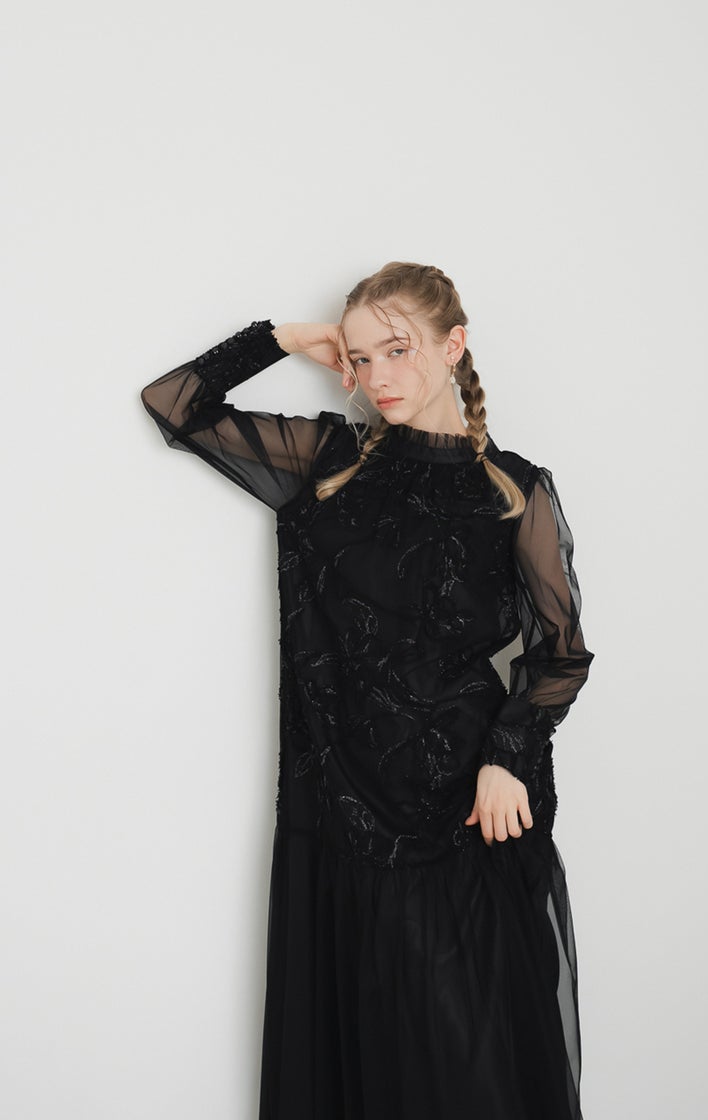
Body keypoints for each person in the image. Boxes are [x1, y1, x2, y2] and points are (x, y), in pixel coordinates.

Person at [140, 261, 595, 1120]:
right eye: (360, 357)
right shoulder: (329, 460)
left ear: (454, 346)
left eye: (397, 349)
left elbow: (561, 652)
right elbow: (174, 404)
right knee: (372, 1068)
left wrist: (507, 756)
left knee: (473, 1068)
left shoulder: (514, 489)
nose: (377, 376)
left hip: (469, 811)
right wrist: (286, 338)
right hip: (343, 809)